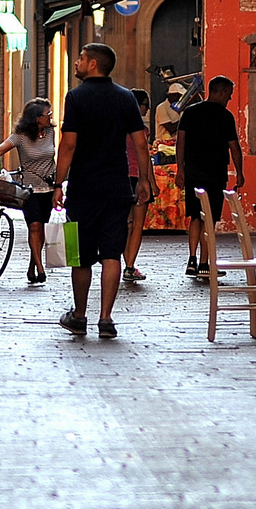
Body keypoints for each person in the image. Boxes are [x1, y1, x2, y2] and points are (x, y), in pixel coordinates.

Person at [54, 43, 153, 339]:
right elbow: (140, 143)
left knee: (80, 255)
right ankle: (106, 319)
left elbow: (68, 145)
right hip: (117, 187)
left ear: (93, 64)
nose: (77, 61)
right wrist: (145, 180)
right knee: (112, 253)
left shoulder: (75, 98)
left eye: (81, 58)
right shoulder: (125, 98)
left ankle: (80, 315)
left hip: (83, 188)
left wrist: (58, 183)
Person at [0, 97, 57, 286]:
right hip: (30, 190)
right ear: (36, 118)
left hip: (49, 187)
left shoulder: (50, 132)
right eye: (47, 114)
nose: (50, 117)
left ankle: (32, 266)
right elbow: (0, 149)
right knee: (34, 227)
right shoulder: (21, 136)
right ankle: (40, 268)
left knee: (42, 228)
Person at [176, 76, 245, 280]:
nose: (229, 99)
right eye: (229, 95)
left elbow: (180, 142)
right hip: (215, 174)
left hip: (193, 173)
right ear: (221, 92)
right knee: (210, 219)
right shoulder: (225, 116)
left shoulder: (190, 112)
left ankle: (191, 260)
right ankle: (205, 263)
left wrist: (181, 169)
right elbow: (234, 147)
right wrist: (239, 172)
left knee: (196, 216)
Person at [123, 89, 152, 283]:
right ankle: (130, 266)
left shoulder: (117, 126)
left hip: (121, 178)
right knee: (138, 225)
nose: (147, 109)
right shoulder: (141, 130)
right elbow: (145, 158)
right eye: (145, 105)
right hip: (138, 177)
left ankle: (125, 262)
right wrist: (151, 182)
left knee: (127, 224)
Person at [154, 82, 184, 148]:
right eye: (177, 96)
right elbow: (171, 128)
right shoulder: (162, 107)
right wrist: (185, 120)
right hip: (164, 145)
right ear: (172, 95)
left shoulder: (180, 108)